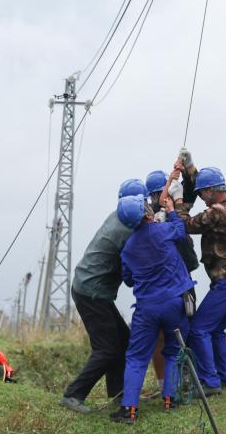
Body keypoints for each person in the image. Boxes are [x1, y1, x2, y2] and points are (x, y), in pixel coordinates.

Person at [167, 149, 226, 394]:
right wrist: (191, 168)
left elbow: (185, 223)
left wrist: (177, 200)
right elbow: (206, 185)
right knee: (215, 329)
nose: (202, 199)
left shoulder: (217, 212)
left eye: (202, 194)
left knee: (199, 329)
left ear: (212, 191)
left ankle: (210, 382)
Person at [60, 178, 147, 415]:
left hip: (92, 287)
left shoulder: (119, 215)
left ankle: (118, 394)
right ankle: (73, 395)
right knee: (107, 348)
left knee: (123, 340)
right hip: (91, 292)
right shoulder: (127, 231)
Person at [111, 192, 195, 424]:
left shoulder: (127, 248)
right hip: (174, 302)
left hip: (146, 308)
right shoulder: (162, 231)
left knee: (137, 357)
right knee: (173, 351)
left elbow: (128, 279)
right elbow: (180, 232)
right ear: (146, 212)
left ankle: (129, 408)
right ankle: (171, 399)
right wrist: (170, 211)